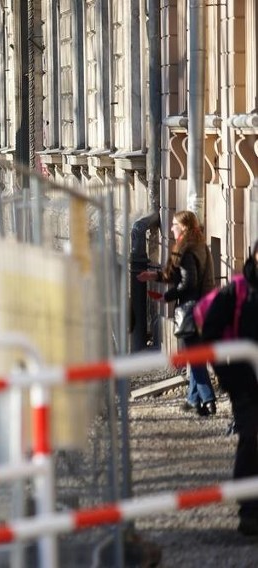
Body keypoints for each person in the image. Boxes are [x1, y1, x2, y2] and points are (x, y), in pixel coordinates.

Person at [200, 239, 258, 536]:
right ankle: (249, 510)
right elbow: (208, 336)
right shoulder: (235, 291)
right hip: (245, 383)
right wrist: (227, 375)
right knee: (251, 438)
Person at [138, 210, 216, 416]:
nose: (171, 227)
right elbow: (175, 275)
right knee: (195, 354)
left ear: (183, 227)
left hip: (192, 309)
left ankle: (208, 399)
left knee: (194, 355)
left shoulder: (186, 250)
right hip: (203, 307)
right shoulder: (200, 246)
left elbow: (187, 282)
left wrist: (167, 297)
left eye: (174, 224)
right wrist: (153, 275)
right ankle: (193, 399)